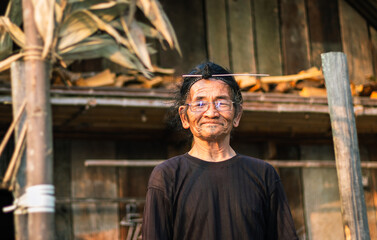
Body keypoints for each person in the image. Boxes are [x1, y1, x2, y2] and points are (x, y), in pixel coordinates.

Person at [142, 62, 298, 240]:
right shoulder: (167, 176)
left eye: (221, 103)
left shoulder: (264, 175)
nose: (211, 113)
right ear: (184, 117)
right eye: (200, 103)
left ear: (237, 114)